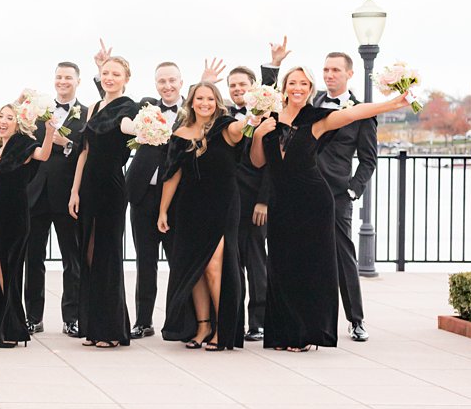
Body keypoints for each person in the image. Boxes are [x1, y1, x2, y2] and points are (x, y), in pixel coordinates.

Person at [250, 67, 408, 351]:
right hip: (281, 201)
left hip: (313, 201)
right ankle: (283, 332)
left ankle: (306, 334)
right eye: (293, 82)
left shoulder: (316, 119)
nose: (298, 87)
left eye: (304, 83)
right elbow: (258, 161)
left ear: (310, 87)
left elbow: (353, 114)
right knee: (281, 266)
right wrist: (260, 134)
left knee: (308, 267)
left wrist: (393, 103)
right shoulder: (268, 119)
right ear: (284, 87)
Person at [157, 78, 247, 350]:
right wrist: (162, 211)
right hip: (189, 206)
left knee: (214, 266)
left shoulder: (226, 127)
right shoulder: (180, 134)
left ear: (217, 102)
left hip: (222, 205)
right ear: (191, 102)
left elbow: (244, 126)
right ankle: (202, 326)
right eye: (200, 98)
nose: (205, 103)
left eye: (210, 98)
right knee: (194, 268)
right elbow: (172, 176)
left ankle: (223, 329)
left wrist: (258, 104)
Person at [69, 43, 139, 348]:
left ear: (126, 78)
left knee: (107, 254)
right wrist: (74, 190)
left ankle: (111, 330)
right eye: (106, 72)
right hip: (88, 187)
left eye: (116, 73)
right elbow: (85, 151)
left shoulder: (130, 106)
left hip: (111, 186)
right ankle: (94, 326)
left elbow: (133, 130)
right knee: (88, 253)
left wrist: (132, 128)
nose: (110, 77)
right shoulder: (95, 107)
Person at [0, 103, 60, 347]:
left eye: (9, 117)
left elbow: (42, 155)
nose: (3, 121)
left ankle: (11, 330)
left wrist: (50, 132)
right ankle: (0, 326)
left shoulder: (22, 144)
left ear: (17, 123)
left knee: (9, 268)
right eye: (0, 116)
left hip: (15, 215)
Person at [225, 42, 287, 341]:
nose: (237, 89)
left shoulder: (265, 115)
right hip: (227, 201)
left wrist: (263, 201)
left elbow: (270, 164)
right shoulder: (224, 115)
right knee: (231, 263)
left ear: (251, 88)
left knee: (256, 262)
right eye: (233, 85)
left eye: (242, 85)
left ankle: (259, 322)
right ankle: (233, 320)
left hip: (254, 203)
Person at [316, 52, 379, 342]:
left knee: (344, 256)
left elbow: (368, 159)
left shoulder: (362, 111)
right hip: (304, 190)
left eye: (335, 70)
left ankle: (356, 320)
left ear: (349, 74)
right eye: (326, 69)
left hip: (338, 194)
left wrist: (354, 189)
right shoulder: (311, 102)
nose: (329, 75)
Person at [124, 61, 185, 339]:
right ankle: (143, 321)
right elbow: (116, 103)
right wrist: (101, 72)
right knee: (145, 262)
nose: (167, 86)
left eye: (172, 80)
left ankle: (177, 321)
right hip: (143, 196)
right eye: (162, 81)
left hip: (179, 197)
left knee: (178, 261)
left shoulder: (192, 110)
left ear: (182, 82)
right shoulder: (146, 107)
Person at [26, 62, 85, 337]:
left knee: (72, 260)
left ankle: (71, 317)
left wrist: (67, 143)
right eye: (59, 77)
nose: (63, 81)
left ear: (78, 81)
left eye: (68, 77)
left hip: (68, 195)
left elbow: (88, 151)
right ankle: (33, 317)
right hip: (36, 194)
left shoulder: (87, 113)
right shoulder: (39, 112)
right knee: (33, 258)